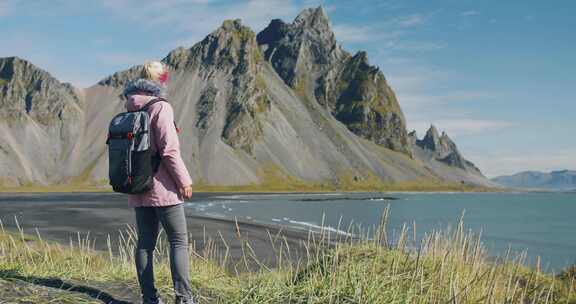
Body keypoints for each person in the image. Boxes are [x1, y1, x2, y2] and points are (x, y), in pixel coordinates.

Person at [123, 61, 195, 304]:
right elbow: (169, 151)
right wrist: (184, 181)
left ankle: (149, 299)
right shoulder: (161, 107)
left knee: (145, 244)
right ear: (160, 80)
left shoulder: (130, 107)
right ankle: (184, 299)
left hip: (138, 186)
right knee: (178, 241)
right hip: (163, 188)